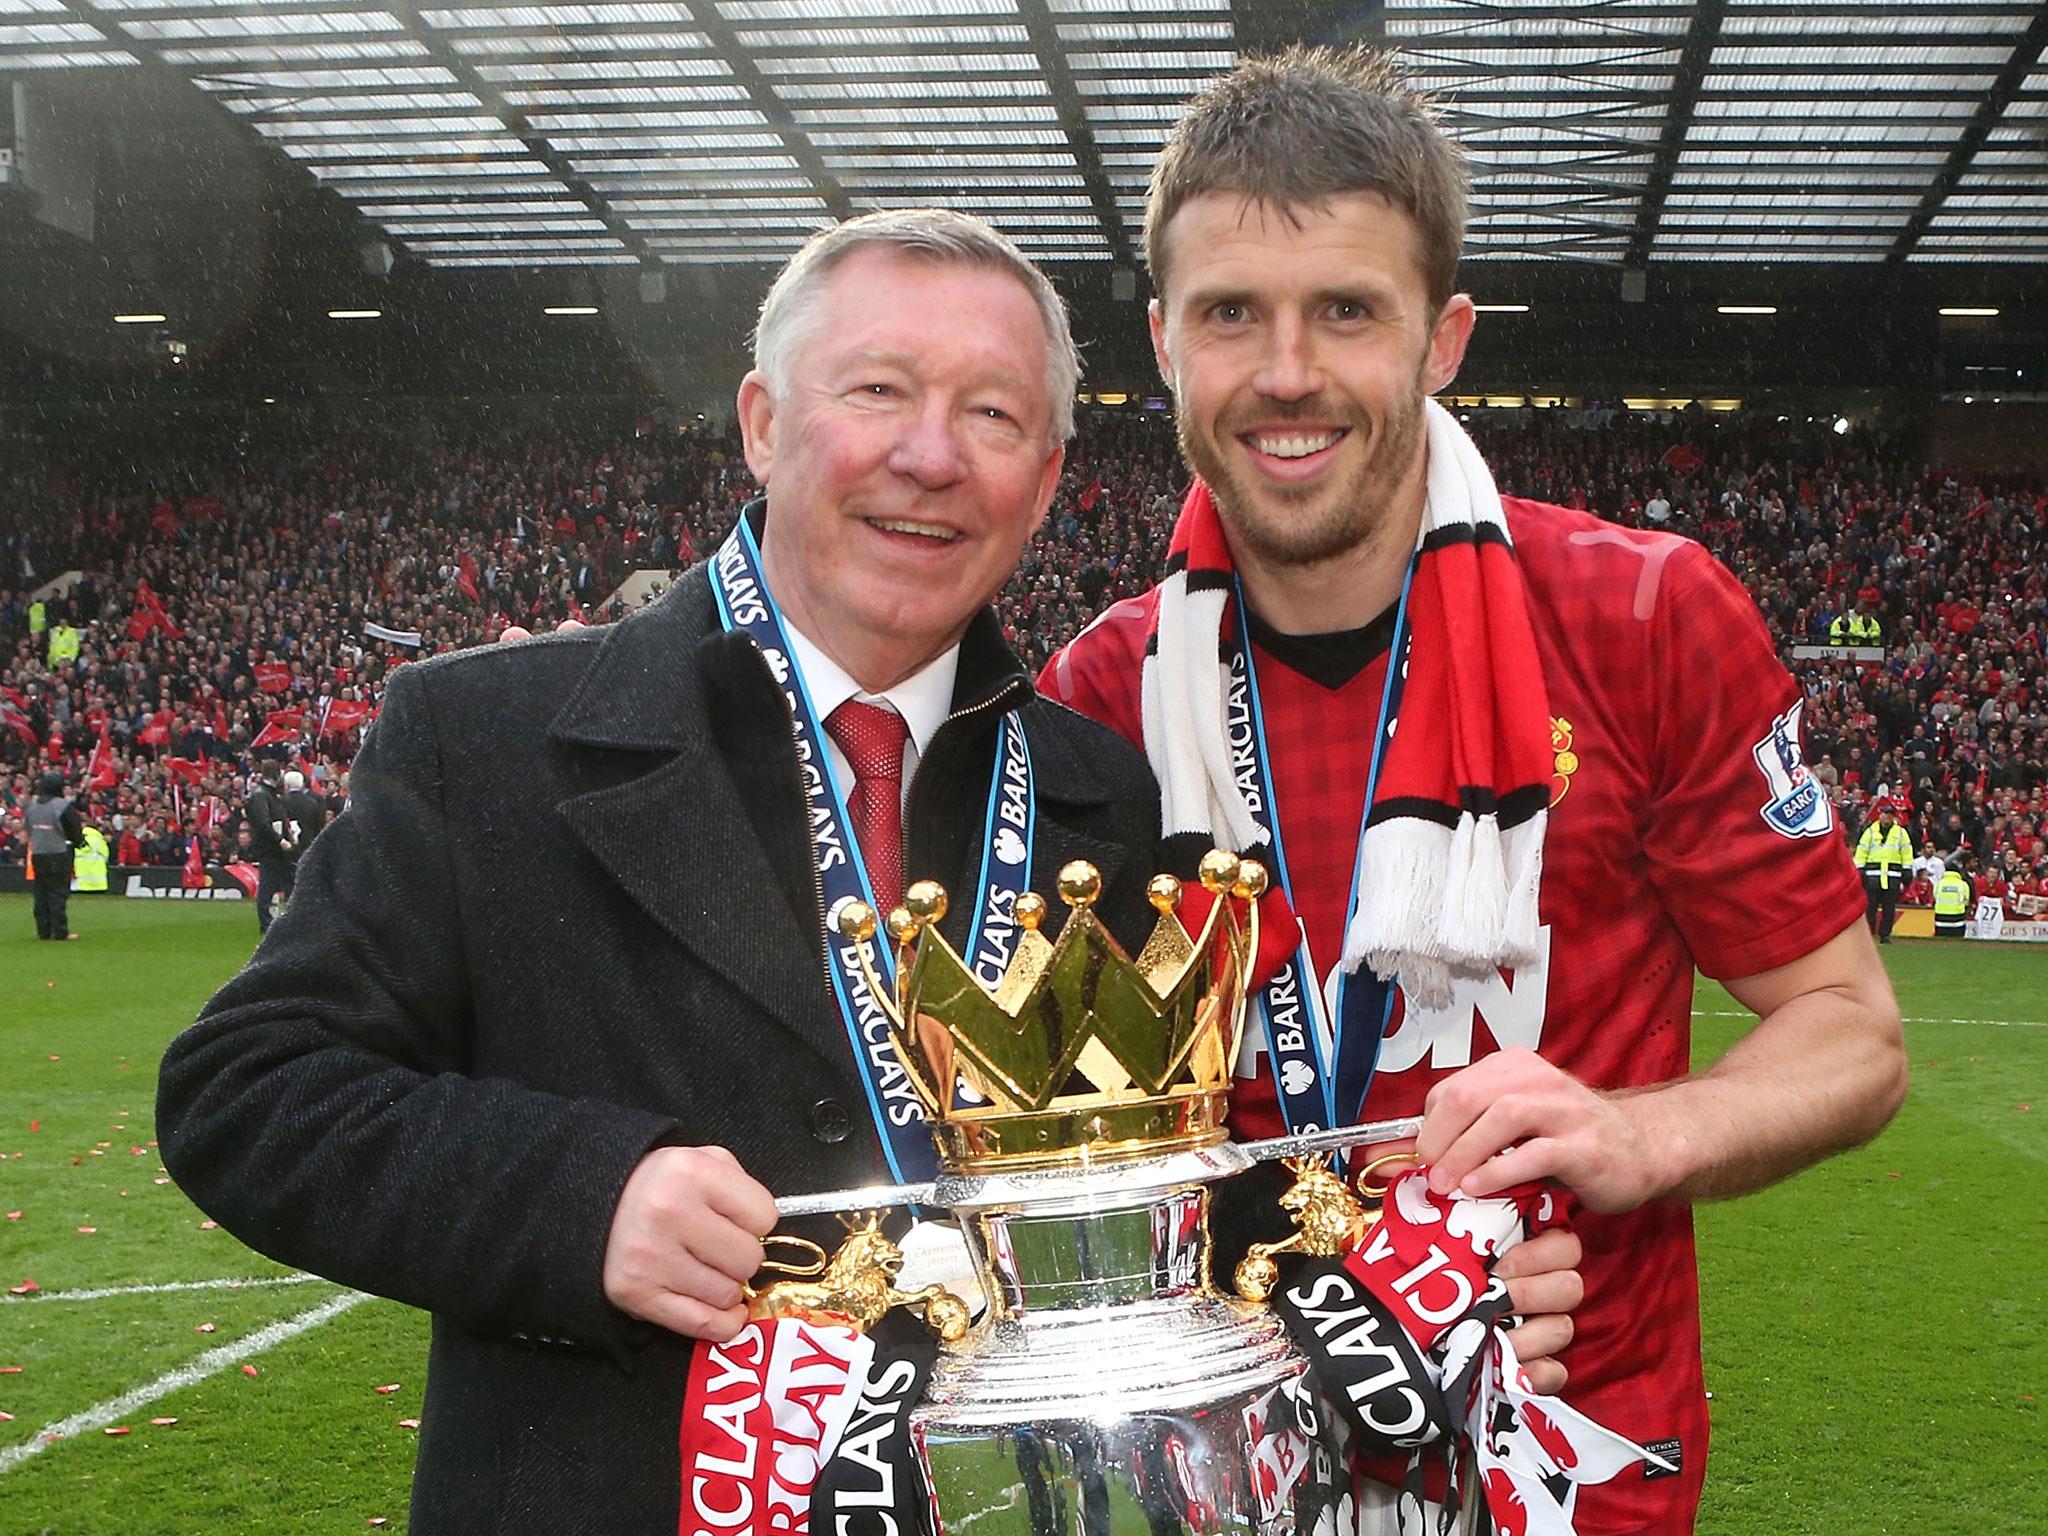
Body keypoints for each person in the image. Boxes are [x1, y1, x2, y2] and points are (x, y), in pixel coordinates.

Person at [155, 210, 1161, 1534]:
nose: (929, 456)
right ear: (760, 422)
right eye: (878, 392)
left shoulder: (1102, 792)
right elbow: (247, 1090)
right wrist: (583, 1199)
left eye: (991, 416)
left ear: (1042, 481)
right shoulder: (488, 738)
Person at [1041, 47, 1906, 1533]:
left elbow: (1849, 1034)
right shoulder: (1093, 699)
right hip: (1239, 1463)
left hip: (1576, 1461)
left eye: (1347, 312)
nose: (1289, 372)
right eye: (1232, 313)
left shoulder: (1647, 618)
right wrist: (1368, 1295)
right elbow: (1075, 1148)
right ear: (1165, 343)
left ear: (1443, 338)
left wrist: (1640, 1139)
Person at [24, 771, 85, 940]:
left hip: (38, 854)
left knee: (41, 893)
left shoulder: (32, 806)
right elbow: (74, 831)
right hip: (58, 853)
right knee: (57, 893)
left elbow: (28, 829)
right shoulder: (63, 806)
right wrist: (80, 842)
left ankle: (43, 930)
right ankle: (59, 931)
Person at [240, 763, 297, 932]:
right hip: (271, 849)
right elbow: (264, 824)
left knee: (285, 883)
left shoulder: (267, 795)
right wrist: (280, 841)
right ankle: (266, 924)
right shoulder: (262, 796)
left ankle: (285, 920)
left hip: (275, 849)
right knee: (268, 886)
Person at [1854, 799, 1914, 944]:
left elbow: (1906, 852)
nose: (1887, 817)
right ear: (1879, 815)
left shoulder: (1901, 833)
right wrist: (1860, 869)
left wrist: (1907, 869)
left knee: (1889, 909)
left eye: (1890, 814)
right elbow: (1862, 851)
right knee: (1870, 908)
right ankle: (1868, 935)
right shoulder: (1869, 832)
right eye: (1885, 814)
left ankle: (1885, 935)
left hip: (1892, 876)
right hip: (1873, 876)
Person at [1932, 855, 1974, 937]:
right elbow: (1966, 901)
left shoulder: (1938, 883)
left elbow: (1935, 897)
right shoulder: (1963, 884)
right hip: (1957, 921)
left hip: (1940, 920)